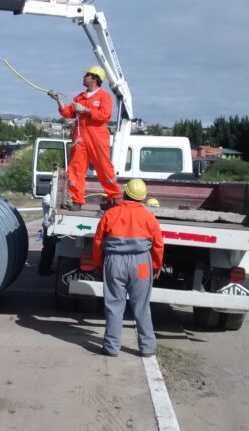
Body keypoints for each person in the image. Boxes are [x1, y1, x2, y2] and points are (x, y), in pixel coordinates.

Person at [92, 178, 164, 357]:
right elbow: (158, 244)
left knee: (114, 305)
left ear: (125, 194)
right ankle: (147, 348)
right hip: (141, 264)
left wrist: (97, 263)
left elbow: (98, 241)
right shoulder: (149, 217)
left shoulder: (110, 214)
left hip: (114, 263)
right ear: (143, 198)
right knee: (141, 306)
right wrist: (156, 265)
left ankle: (111, 347)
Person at [48, 66, 122, 211]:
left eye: (86, 75)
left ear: (94, 78)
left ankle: (115, 198)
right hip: (80, 138)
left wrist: (85, 110)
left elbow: (105, 115)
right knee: (75, 169)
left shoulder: (104, 96)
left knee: (104, 168)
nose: (84, 78)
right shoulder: (80, 97)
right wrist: (58, 100)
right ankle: (77, 201)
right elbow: (68, 113)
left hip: (98, 138)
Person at [38, 193, 57, 275]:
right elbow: (53, 204)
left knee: (51, 249)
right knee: (48, 249)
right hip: (48, 226)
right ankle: (43, 269)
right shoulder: (47, 198)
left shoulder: (51, 197)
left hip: (51, 226)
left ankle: (47, 267)